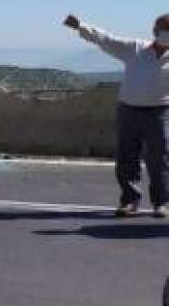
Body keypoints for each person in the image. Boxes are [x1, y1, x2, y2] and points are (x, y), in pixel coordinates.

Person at [65, 13, 169, 217]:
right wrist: (80, 26)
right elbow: (105, 39)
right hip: (129, 110)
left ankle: (161, 203)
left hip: (161, 112)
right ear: (155, 32)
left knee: (161, 158)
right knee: (126, 156)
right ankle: (130, 201)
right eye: (164, 30)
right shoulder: (135, 48)